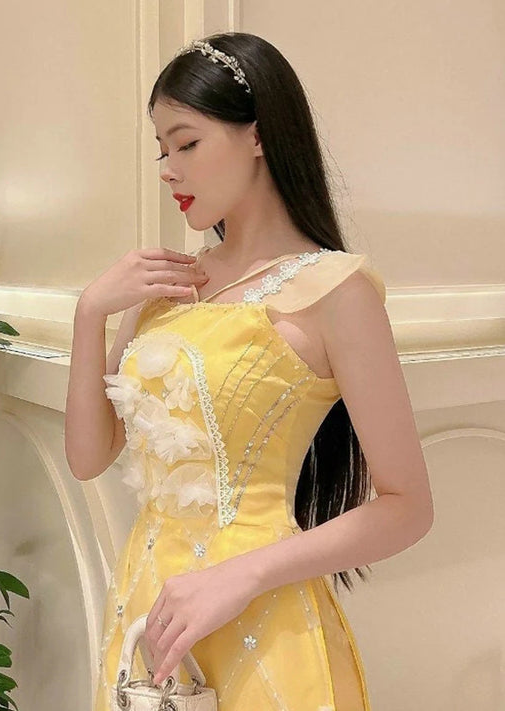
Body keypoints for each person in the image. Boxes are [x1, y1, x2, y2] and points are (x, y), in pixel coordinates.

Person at [66, 31, 434, 711]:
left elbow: (408, 505)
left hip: (261, 611)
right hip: (150, 603)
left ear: (257, 135)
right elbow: (89, 457)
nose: (168, 169)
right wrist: (90, 312)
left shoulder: (335, 291)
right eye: (162, 150)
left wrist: (239, 576)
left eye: (186, 143)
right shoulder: (169, 282)